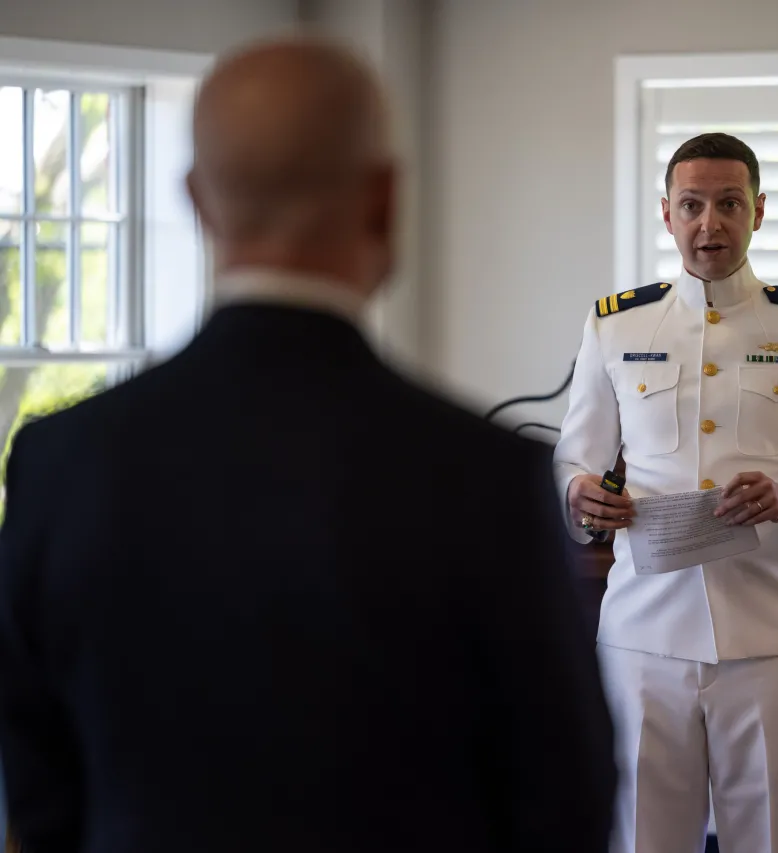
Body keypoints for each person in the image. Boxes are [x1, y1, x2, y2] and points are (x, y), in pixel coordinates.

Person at [0, 36, 615, 853]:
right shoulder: (484, 476)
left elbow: (40, 804)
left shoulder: (55, 463)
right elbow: (564, 801)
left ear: (196, 200)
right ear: (384, 201)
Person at [553, 132, 778, 853]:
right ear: (667, 214)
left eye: (729, 204)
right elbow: (570, 465)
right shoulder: (616, 323)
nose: (711, 223)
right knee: (643, 839)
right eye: (693, 205)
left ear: (758, 211)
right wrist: (582, 494)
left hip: (773, 640)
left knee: (771, 841)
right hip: (644, 640)